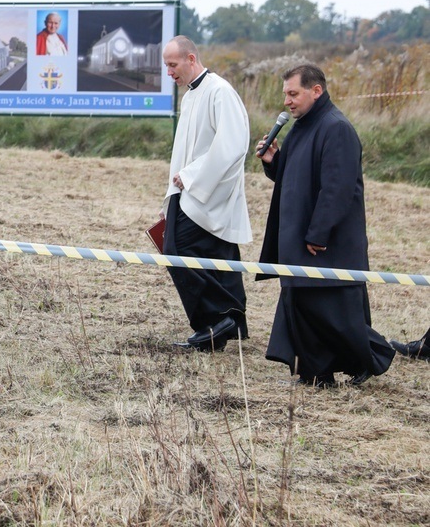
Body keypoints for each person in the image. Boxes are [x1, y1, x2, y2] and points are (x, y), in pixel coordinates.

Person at [255, 64, 394, 387]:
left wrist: (319, 233)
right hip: (298, 240)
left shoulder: (336, 128)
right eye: (285, 95)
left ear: (316, 91)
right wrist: (275, 162)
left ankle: (371, 358)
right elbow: (295, 179)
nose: (287, 102)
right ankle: (316, 372)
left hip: (324, 244)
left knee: (334, 315)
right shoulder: (301, 126)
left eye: (294, 93)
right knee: (304, 306)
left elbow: (337, 189)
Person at [161, 36, 252, 351]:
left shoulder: (220, 91)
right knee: (204, 255)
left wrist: (191, 178)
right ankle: (216, 326)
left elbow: (232, 145)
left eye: (172, 65)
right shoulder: (190, 97)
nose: (169, 72)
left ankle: (219, 320)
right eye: (166, 66)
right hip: (185, 190)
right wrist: (170, 196)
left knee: (179, 250)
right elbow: (183, 151)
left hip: (207, 192)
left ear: (190, 58)